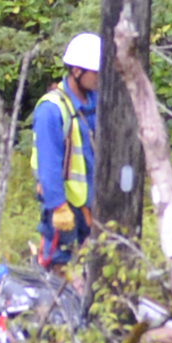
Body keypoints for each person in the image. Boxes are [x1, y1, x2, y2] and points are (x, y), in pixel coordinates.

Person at [28, 33, 105, 270]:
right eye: (96, 72)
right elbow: (49, 165)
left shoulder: (98, 102)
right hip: (66, 208)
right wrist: (58, 206)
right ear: (77, 71)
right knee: (59, 270)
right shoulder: (52, 110)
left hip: (94, 206)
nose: (100, 78)